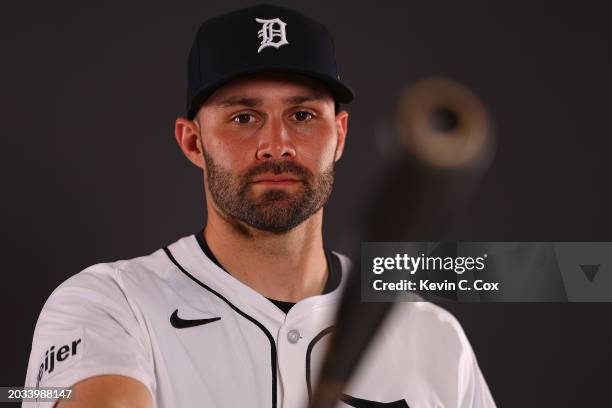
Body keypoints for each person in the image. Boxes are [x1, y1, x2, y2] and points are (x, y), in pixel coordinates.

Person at [23, 4, 495, 407]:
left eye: (303, 115)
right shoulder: (109, 303)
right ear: (192, 142)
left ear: (340, 136)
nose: (277, 144)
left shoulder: (432, 335)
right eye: (244, 116)